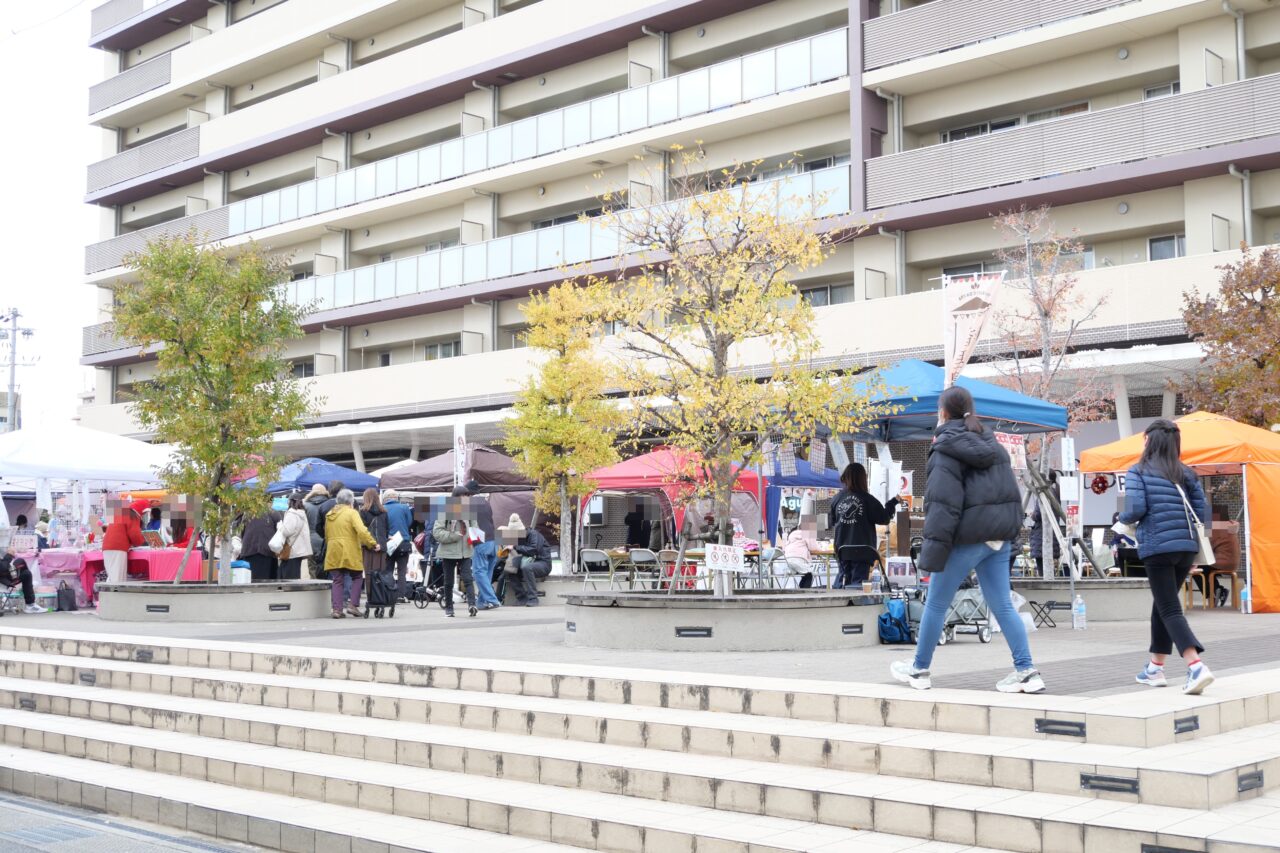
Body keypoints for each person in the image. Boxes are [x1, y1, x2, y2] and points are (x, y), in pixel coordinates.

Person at [891, 386, 1044, 694]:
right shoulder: (994, 444)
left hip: (967, 538)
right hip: (998, 537)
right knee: (1002, 604)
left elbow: (943, 504)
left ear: (943, 413)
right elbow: (1011, 494)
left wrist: (934, 550)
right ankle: (1026, 671)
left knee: (936, 603)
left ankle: (920, 669)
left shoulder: (945, 448)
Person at [1119, 418, 1215, 694]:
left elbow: (1134, 510)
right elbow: (1205, 514)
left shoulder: (1137, 471)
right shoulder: (1186, 472)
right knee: (1163, 605)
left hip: (1158, 547)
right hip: (1185, 548)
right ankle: (1154, 668)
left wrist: (1120, 517)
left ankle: (1196, 665)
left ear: (1149, 440)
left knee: (1170, 608)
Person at [829, 463, 898, 588]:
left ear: (845, 478)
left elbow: (831, 522)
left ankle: (839, 603)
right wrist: (892, 503)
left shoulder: (836, 499)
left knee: (842, 579)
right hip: (863, 550)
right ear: (863, 479)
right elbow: (884, 518)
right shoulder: (868, 500)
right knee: (858, 585)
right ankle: (855, 606)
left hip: (842, 549)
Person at [324, 489, 377, 618]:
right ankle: (353, 605)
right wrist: (372, 543)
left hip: (333, 549)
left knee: (337, 580)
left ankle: (337, 610)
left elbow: (326, 534)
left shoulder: (330, 514)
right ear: (351, 501)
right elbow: (362, 531)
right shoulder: (352, 513)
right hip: (349, 549)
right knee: (357, 576)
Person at [433, 494, 477, 617]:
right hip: (448, 551)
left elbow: (475, 527)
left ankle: (472, 605)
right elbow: (437, 532)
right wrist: (455, 535)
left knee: (468, 578)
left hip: (466, 551)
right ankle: (449, 608)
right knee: (448, 581)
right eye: (464, 497)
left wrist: (475, 536)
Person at [502, 513, 551, 606]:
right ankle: (521, 597)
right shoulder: (517, 537)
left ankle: (533, 598)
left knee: (527, 568)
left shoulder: (534, 534)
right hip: (527, 562)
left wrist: (515, 547)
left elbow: (533, 550)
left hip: (543, 563)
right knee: (510, 570)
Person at [102, 499, 148, 583]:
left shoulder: (122, 513)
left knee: (112, 576)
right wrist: (142, 542)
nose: (144, 515)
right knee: (118, 579)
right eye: (144, 513)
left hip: (107, 547)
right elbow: (135, 535)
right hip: (118, 547)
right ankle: (115, 595)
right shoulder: (133, 516)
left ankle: (109, 594)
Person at [382, 490, 414, 601]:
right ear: (396, 497)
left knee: (388, 570)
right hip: (403, 542)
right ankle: (401, 595)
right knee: (402, 571)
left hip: (388, 542)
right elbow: (409, 522)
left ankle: (389, 595)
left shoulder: (382, 509)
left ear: (385, 498)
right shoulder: (404, 508)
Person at [239, 508, 283, 582]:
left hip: (249, 550)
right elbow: (280, 531)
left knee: (251, 579)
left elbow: (242, 531)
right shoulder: (274, 513)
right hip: (266, 550)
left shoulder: (248, 512)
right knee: (266, 580)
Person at [278, 490, 313, 579]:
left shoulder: (291, 513)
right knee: (295, 575)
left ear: (290, 501)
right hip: (299, 549)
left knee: (288, 577)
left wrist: (280, 526)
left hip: (291, 549)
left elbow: (287, 531)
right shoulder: (302, 513)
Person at [469, 529, 503, 609]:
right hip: (494, 543)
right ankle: (482, 602)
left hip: (482, 543)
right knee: (487, 574)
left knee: (478, 572)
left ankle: (492, 600)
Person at [359, 487, 389, 577]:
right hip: (381, 547)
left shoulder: (363, 512)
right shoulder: (384, 512)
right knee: (380, 575)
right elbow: (386, 529)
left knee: (368, 573)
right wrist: (381, 544)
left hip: (368, 547)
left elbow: (362, 530)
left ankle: (369, 591)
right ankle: (379, 591)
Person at [303, 484, 329, 575]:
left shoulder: (305, 505)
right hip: (326, 540)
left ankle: (314, 586)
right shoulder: (329, 504)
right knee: (327, 566)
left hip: (310, 540)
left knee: (312, 567)